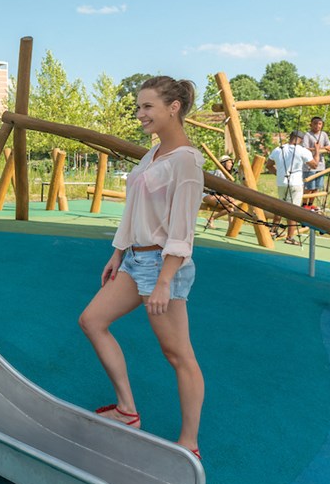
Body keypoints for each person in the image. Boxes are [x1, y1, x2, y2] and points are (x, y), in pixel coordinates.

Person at [78, 76, 205, 461]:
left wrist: (165, 280)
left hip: (164, 265)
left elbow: (182, 230)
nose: (140, 114)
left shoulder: (185, 161)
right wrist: (118, 253)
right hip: (136, 260)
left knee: (178, 354)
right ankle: (127, 410)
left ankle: (189, 443)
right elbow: (134, 208)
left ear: (174, 107)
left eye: (147, 106)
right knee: (92, 320)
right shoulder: (153, 155)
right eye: (139, 107)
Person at [265, 130, 318, 244]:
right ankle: (290, 237)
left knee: (280, 207)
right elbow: (314, 165)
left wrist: (278, 173)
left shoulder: (278, 149)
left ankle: (273, 231)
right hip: (295, 183)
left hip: (281, 183)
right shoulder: (302, 150)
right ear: (301, 139)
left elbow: (268, 165)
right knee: (293, 211)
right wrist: (317, 151)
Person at [302, 116, 330, 209]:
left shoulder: (324, 134)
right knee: (309, 186)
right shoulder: (307, 135)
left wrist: (328, 148)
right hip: (310, 165)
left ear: (322, 125)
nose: (317, 126)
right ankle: (304, 204)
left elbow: (329, 146)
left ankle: (310, 204)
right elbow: (304, 148)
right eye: (315, 123)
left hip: (320, 165)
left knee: (316, 187)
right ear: (311, 124)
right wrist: (317, 149)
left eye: (320, 124)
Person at [202, 154, 237, 229]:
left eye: (232, 163)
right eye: (230, 162)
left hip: (215, 196)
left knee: (230, 208)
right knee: (232, 201)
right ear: (223, 163)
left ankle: (213, 219)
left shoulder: (226, 175)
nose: (231, 164)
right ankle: (231, 226)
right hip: (206, 195)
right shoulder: (218, 172)